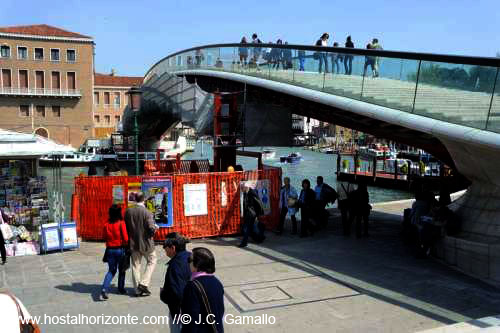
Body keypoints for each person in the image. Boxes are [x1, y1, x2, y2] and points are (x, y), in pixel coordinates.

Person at [181, 247, 224, 333]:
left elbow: (190, 320)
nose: (188, 262)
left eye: (190, 260)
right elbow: (220, 311)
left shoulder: (192, 287)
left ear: (198, 264)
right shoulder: (217, 282)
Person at [124, 191, 159, 297]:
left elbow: (126, 227)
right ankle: (144, 283)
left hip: (133, 243)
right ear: (144, 199)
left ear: (135, 199)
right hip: (146, 243)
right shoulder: (147, 212)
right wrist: (155, 229)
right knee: (152, 261)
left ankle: (137, 290)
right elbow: (151, 228)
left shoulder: (128, 211)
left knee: (135, 266)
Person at [160, 233, 191, 333]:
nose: (164, 249)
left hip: (180, 311)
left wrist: (164, 294)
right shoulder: (191, 257)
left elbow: (177, 293)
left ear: (173, 248)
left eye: (165, 247)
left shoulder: (175, 266)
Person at [101, 204, 129, 300]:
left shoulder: (106, 224)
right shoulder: (121, 223)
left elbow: (104, 236)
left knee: (111, 271)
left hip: (109, 250)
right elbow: (126, 238)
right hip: (120, 249)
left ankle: (104, 288)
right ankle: (121, 289)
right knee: (122, 270)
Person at [239, 183, 265, 248]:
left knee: (246, 228)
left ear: (246, 187)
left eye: (242, 188)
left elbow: (259, 203)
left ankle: (244, 243)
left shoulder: (252, 193)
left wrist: (259, 214)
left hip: (251, 214)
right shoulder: (245, 193)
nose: (241, 190)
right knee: (250, 228)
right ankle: (260, 238)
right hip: (248, 214)